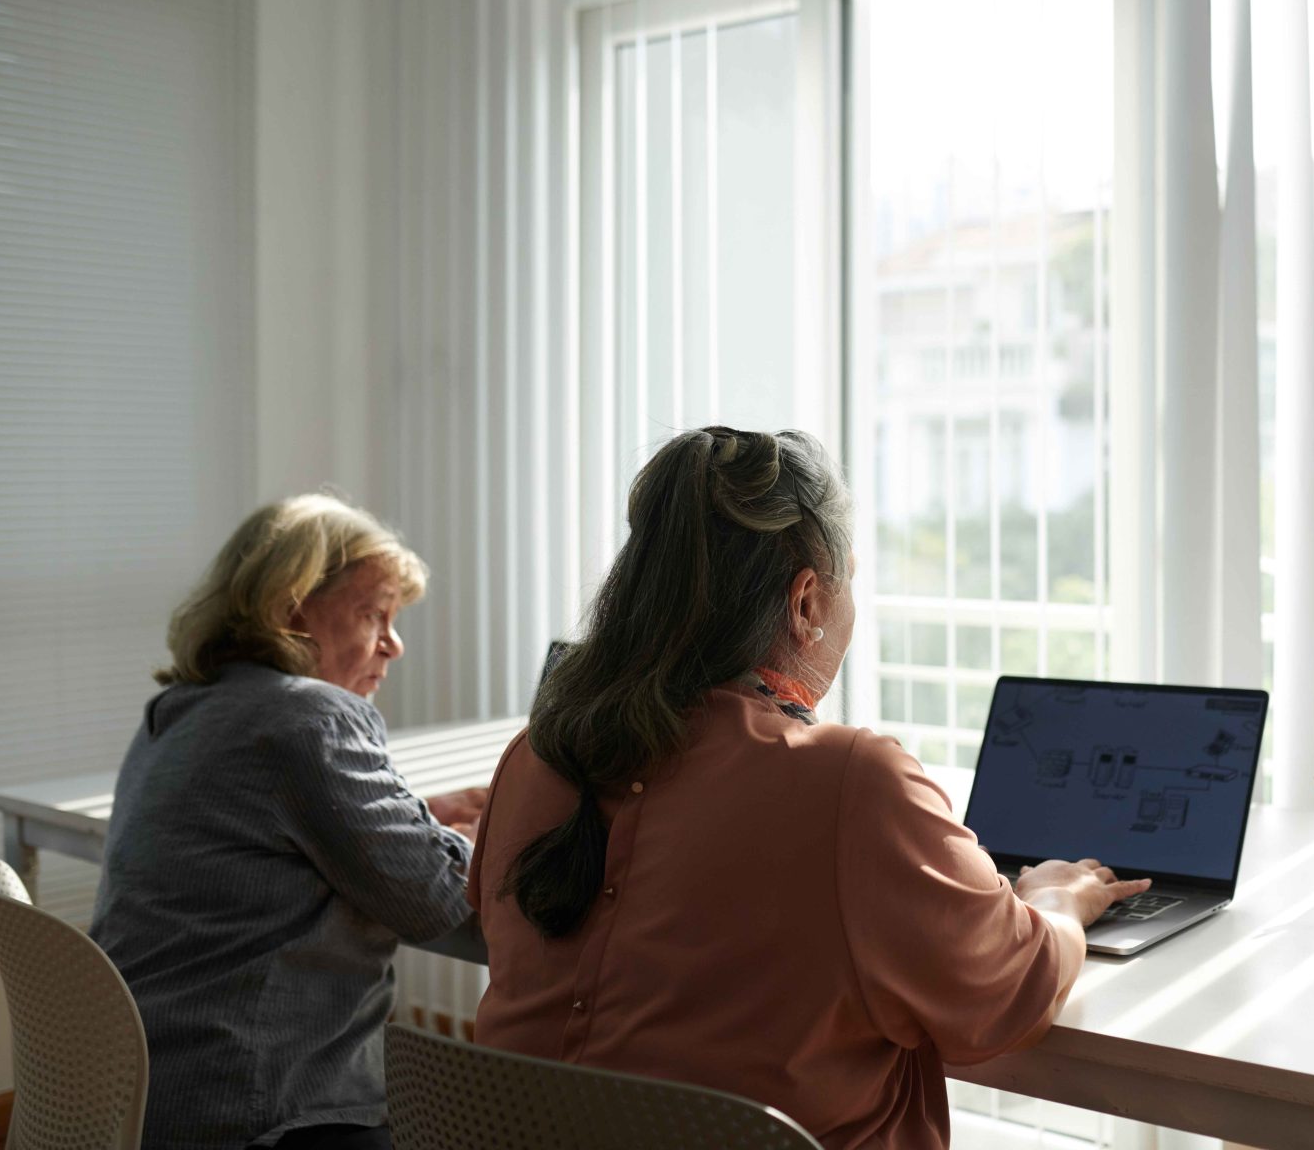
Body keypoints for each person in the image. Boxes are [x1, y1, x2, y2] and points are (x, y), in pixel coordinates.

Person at [469, 427, 1148, 1149]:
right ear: (806, 603)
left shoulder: (536, 757)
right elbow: (1013, 991)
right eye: (847, 581)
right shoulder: (851, 785)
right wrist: (1059, 899)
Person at [90, 494, 483, 1150]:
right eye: (373, 614)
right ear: (292, 606)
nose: (395, 643)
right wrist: (490, 833)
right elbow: (440, 900)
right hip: (260, 1110)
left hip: (140, 1092)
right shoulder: (312, 719)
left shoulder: (177, 711)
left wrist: (415, 821)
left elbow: (269, 841)